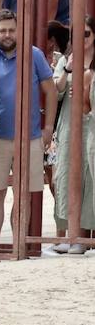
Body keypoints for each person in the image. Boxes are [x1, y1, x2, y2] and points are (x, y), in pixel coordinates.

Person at [0, 9, 56, 260]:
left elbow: (51, 91)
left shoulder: (33, 55)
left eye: (12, 29)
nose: (8, 34)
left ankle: (18, 248)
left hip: (30, 136)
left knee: (24, 194)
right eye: (3, 30)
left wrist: (48, 128)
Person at [51, 16, 95, 251]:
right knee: (66, 176)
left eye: (86, 34)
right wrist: (68, 68)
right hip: (69, 123)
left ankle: (84, 236)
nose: (82, 40)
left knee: (91, 175)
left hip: (92, 123)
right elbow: (56, 93)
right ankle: (72, 234)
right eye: (77, 35)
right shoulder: (66, 61)